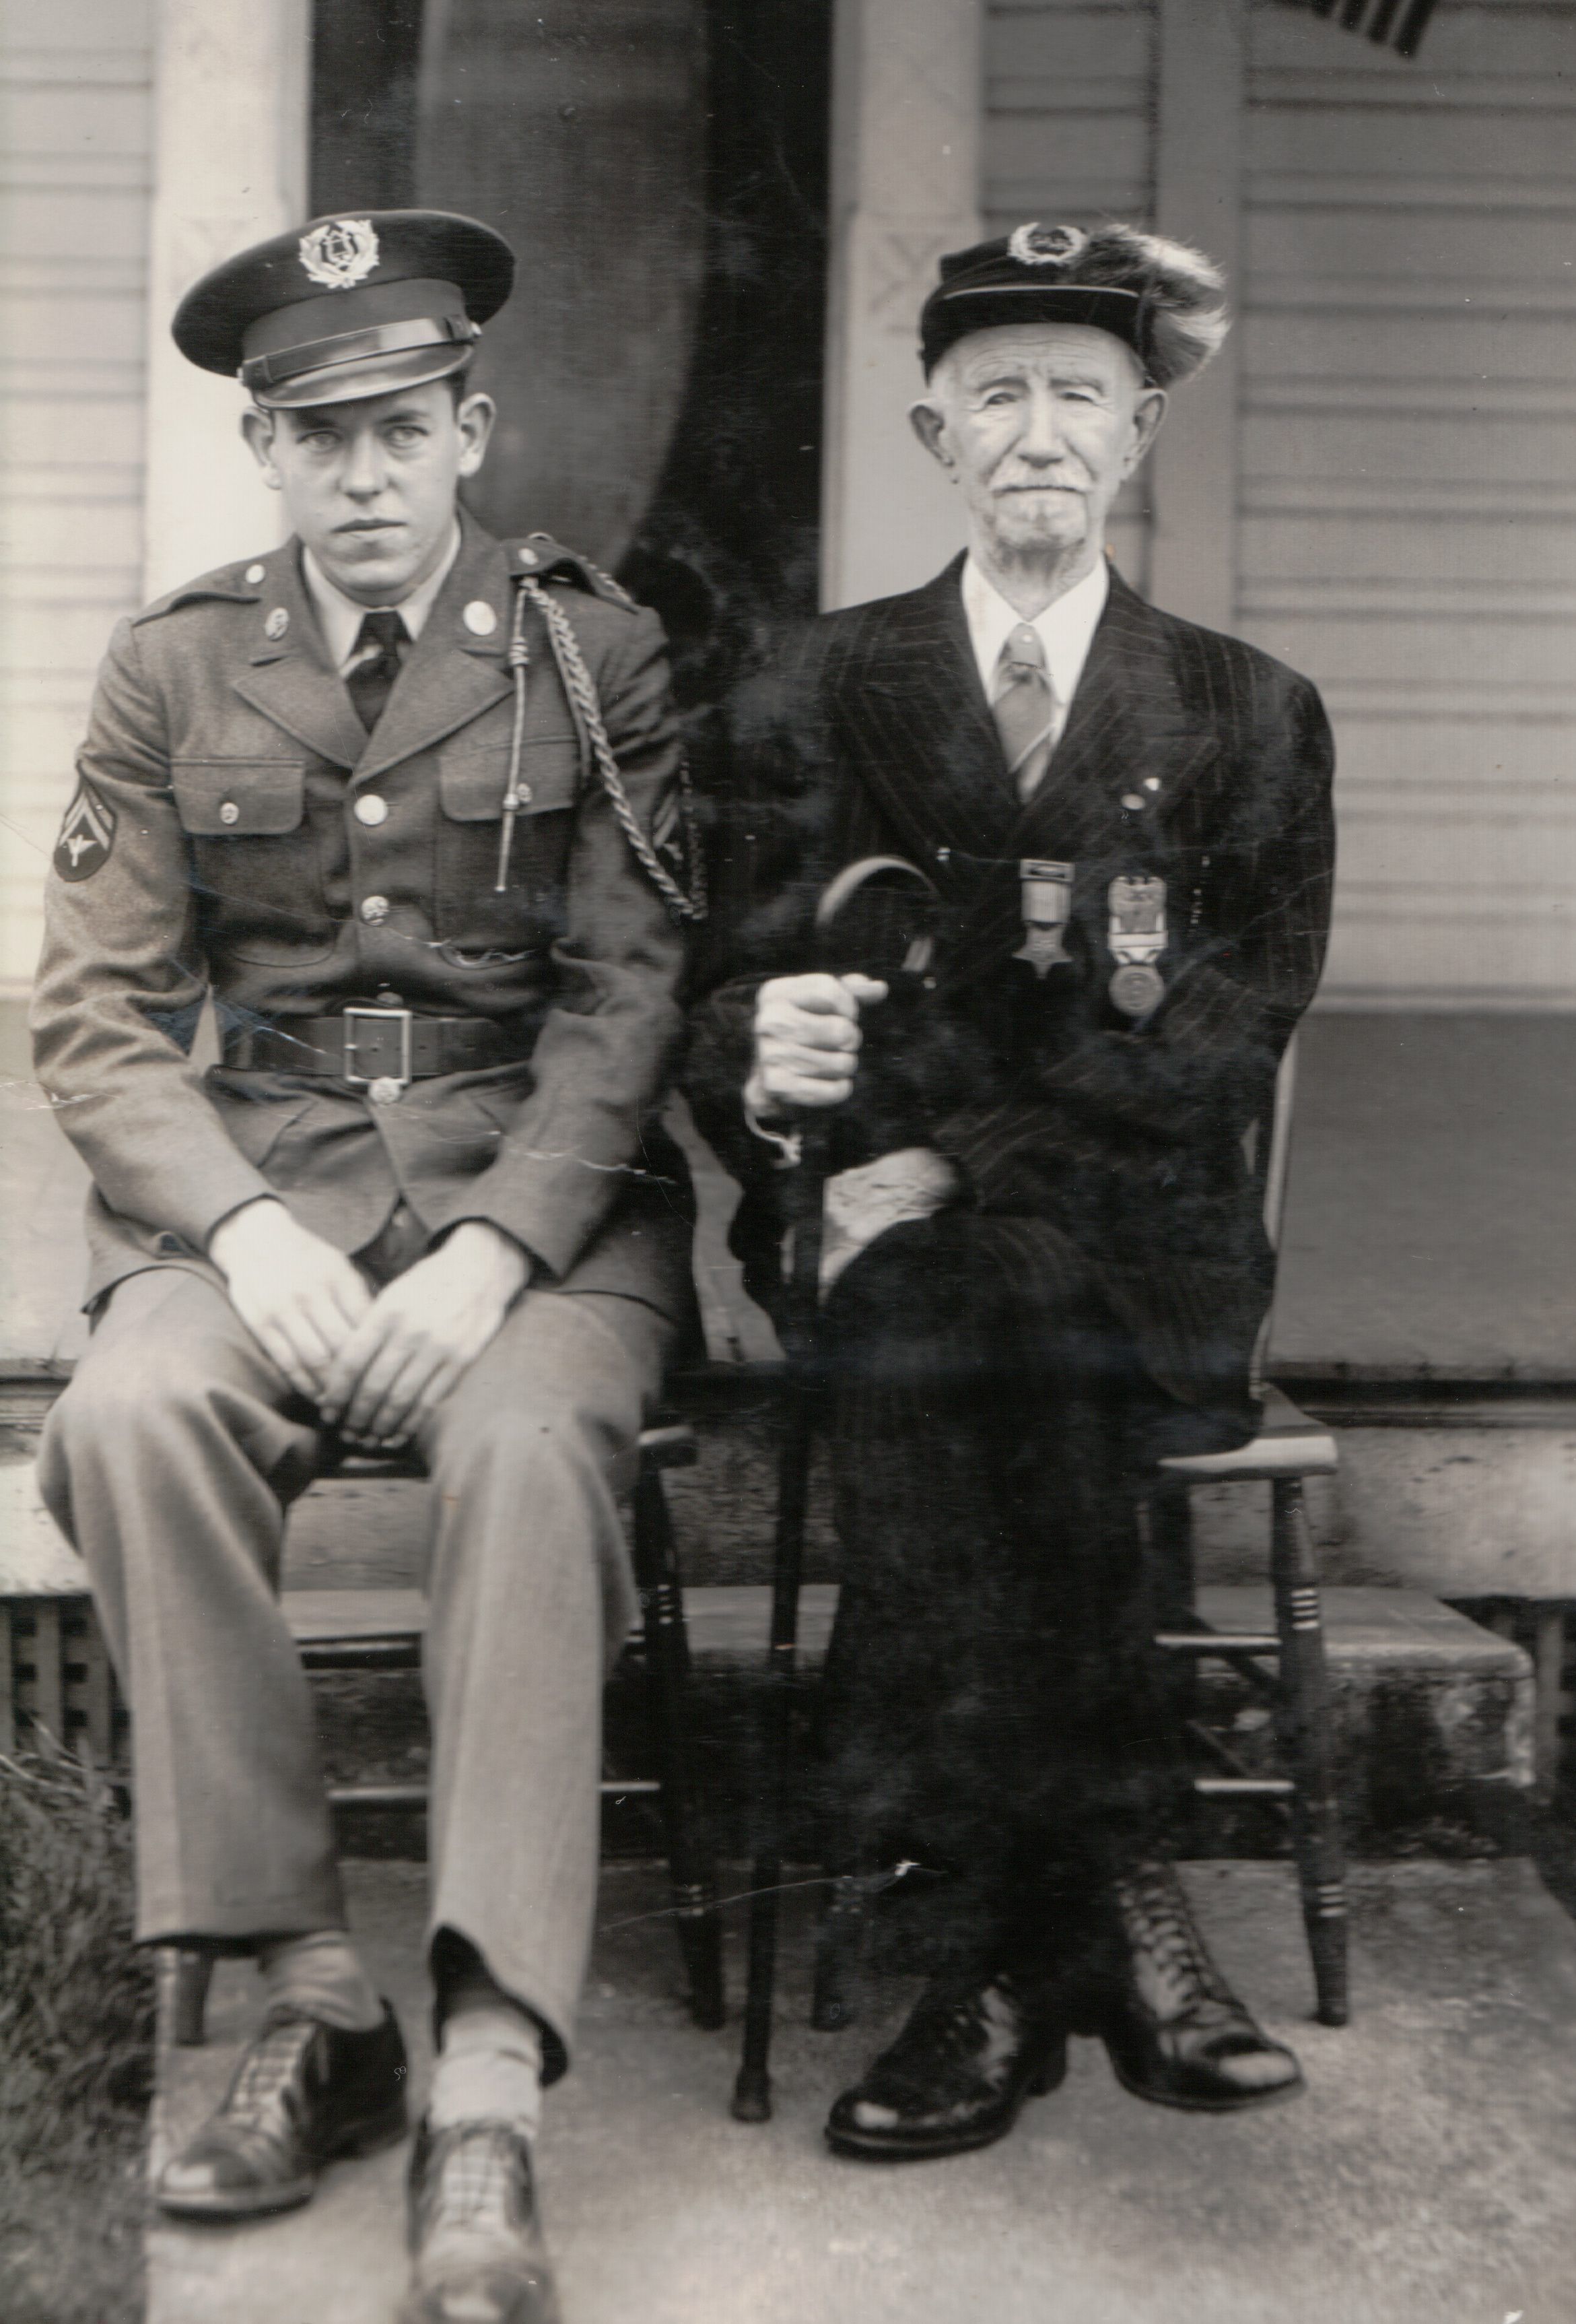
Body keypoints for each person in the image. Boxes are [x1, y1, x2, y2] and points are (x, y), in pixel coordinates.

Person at [34, 208, 700, 2324]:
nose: (364, 474)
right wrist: (237, 1224)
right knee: (133, 1412)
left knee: (528, 1457)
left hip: (541, 1202)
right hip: (267, 1179)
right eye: (318, 436)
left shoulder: (593, 652)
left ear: (470, 433)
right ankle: (312, 1992)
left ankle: (488, 2081)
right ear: (265, 450)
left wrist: (498, 1248)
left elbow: (632, 993)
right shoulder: (175, 663)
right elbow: (94, 1014)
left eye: (402, 428)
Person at [686, 222, 1336, 2161]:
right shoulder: (806, 688)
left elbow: (1219, 1036)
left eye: (1077, 394)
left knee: (993, 1303)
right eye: (996, 397)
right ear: (933, 435)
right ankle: (1114, 1897)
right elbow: (719, 988)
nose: (1038, 432)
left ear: (1140, 433)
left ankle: (979, 1937)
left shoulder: (1247, 711)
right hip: (872, 1231)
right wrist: (763, 1060)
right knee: (973, 1310)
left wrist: (952, 1156)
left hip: (1139, 1242)